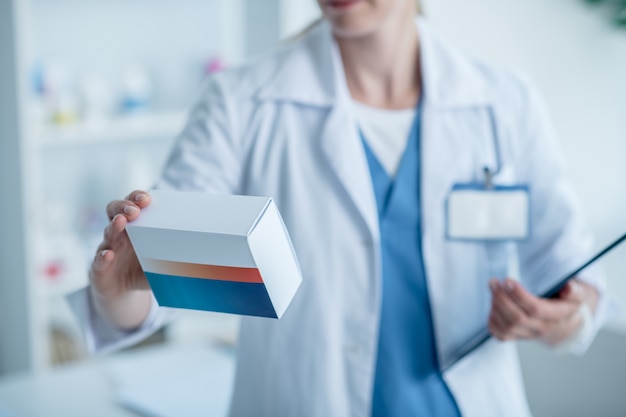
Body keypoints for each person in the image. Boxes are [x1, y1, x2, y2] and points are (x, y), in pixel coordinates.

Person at [68, 0, 611, 416]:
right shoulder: (240, 101)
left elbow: (572, 278)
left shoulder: (504, 102)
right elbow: (160, 282)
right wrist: (118, 291)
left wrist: (564, 319)